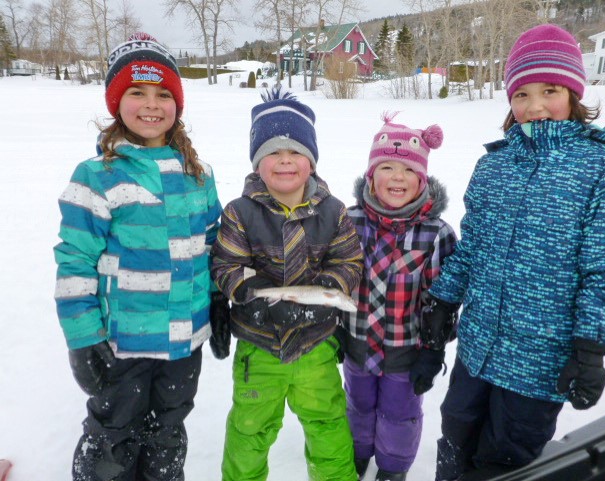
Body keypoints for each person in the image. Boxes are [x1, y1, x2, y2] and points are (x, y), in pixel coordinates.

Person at [424, 24, 605, 481]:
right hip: (477, 346)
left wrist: (591, 345)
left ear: (575, 93)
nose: (535, 106)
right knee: (455, 437)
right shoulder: (495, 164)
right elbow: (473, 244)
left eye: (550, 90)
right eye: (521, 94)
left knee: (505, 461)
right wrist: (444, 299)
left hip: (540, 362)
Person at [53, 32, 227, 481]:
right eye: (137, 92)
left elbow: (214, 245)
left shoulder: (198, 174)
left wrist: (219, 301)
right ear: (116, 102)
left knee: (168, 431)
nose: (151, 105)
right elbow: (74, 262)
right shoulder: (97, 176)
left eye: (163, 94)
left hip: (184, 340)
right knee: (114, 434)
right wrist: (82, 337)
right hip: (121, 342)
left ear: (177, 104)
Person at [210, 87, 364, 481]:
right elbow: (226, 263)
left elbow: (349, 260)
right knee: (249, 431)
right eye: (273, 154)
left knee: (328, 426)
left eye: (295, 152)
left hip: (316, 345)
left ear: (310, 162)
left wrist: (328, 288)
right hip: (259, 348)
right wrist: (255, 297)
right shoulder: (239, 212)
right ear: (258, 163)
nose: (285, 162)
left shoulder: (333, 211)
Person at [339, 113, 458, 481]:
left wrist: (432, 347)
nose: (397, 177)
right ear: (371, 176)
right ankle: (358, 453)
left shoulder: (436, 233)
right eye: (386, 167)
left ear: (421, 179)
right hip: (357, 342)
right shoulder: (348, 220)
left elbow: (443, 297)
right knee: (358, 405)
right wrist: (333, 326)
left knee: (399, 413)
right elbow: (333, 278)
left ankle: (392, 467)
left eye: (407, 170)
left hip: (406, 352)